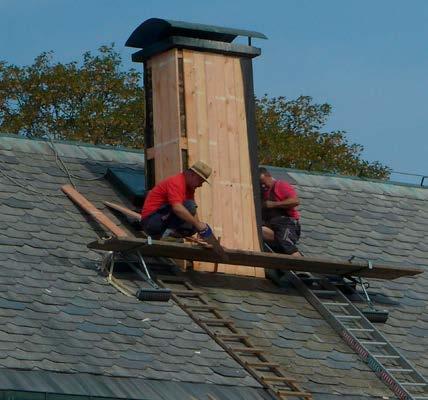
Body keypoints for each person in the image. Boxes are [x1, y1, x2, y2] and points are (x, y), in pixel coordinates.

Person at [141, 161, 211, 239]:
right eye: (200, 181)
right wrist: (198, 224)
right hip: (150, 222)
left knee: (193, 227)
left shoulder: (189, 188)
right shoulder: (176, 182)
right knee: (189, 207)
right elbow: (177, 208)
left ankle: (169, 236)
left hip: (162, 219)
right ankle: (167, 235)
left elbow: (193, 211)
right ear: (192, 175)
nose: (200, 185)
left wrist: (199, 228)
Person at [259, 167, 302, 257]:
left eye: (263, 182)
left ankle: (302, 267)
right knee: (258, 230)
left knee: (286, 244)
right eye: (260, 184)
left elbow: (295, 201)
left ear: (269, 176)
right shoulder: (263, 192)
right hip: (272, 226)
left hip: (287, 223)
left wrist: (273, 204)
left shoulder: (280, 185)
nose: (263, 186)